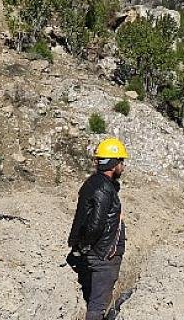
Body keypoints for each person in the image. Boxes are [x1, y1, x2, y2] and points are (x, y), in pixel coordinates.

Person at [67, 137, 128, 320]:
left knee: (95, 299)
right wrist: (88, 246)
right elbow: (95, 223)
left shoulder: (95, 183)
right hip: (103, 254)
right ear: (113, 163)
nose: (123, 166)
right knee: (98, 305)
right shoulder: (103, 188)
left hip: (97, 251)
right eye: (121, 162)